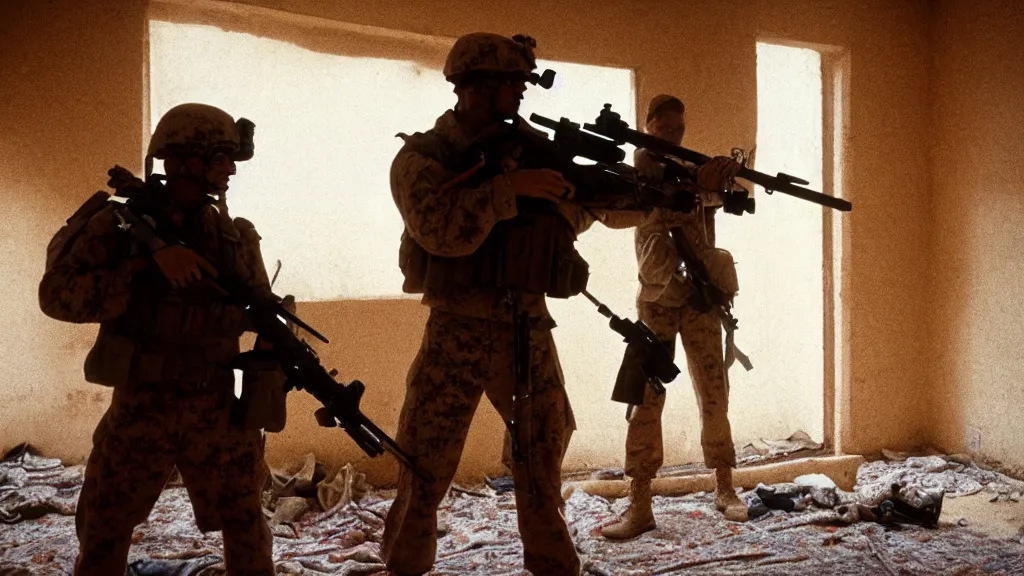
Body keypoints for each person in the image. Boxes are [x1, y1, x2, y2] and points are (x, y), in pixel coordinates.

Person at [39, 103, 282, 575]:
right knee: (104, 530)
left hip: (214, 406)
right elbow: (55, 296)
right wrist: (145, 266)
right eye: (219, 158)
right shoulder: (119, 227)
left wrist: (273, 337)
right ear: (180, 161)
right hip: (140, 407)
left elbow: (257, 310)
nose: (230, 169)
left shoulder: (232, 236)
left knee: (247, 527)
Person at [601, 94, 749, 540]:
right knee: (645, 401)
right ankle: (639, 502)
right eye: (666, 130)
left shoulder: (690, 170)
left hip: (699, 299)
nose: (674, 138)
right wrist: (696, 186)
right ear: (648, 127)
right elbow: (627, 210)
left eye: (679, 131)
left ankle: (724, 486)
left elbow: (734, 200)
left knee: (714, 394)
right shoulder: (641, 170)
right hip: (658, 301)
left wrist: (721, 180)